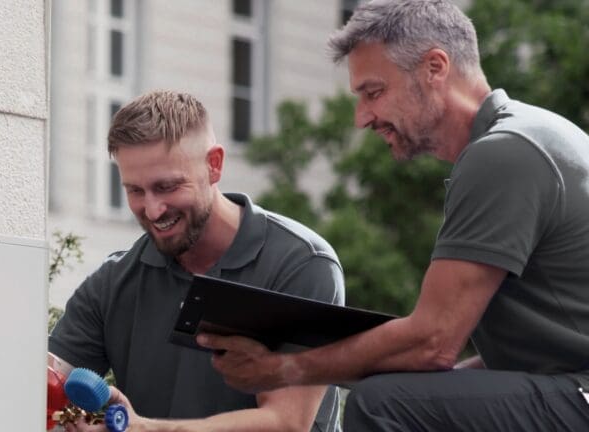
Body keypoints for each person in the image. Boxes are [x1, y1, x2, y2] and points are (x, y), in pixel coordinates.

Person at [197, 0, 589, 430]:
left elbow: (433, 343)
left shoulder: (502, 154)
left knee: (382, 403)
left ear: (435, 68)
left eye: (374, 92)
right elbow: (517, 359)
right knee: (406, 392)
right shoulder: (526, 137)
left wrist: (283, 369)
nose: (363, 117)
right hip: (571, 390)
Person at [48, 90, 346, 432]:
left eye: (167, 186)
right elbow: (43, 386)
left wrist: (144, 429)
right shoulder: (112, 283)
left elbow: (284, 422)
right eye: (135, 191)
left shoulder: (300, 264)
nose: (153, 209)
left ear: (214, 165)